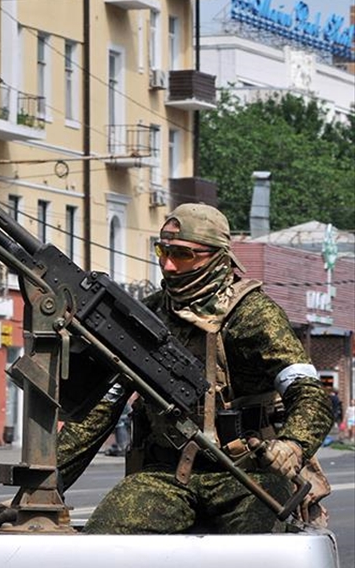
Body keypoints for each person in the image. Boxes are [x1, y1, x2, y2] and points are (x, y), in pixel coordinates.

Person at [52, 203, 334, 534]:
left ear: (218, 256)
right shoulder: (149, 315)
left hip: (247, 474)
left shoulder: (253, 315)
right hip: (167, 474)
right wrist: (44, 486)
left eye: (183, 254)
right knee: (106, 539)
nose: (168, 265)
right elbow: (100, 410)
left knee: (259, 551)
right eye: (163, 251)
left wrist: (293, 444)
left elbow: (309, 393)